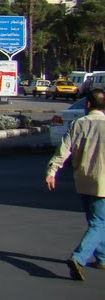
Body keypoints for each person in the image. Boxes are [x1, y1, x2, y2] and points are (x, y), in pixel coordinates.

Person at [46, 88, 105, 281]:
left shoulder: (78, 124)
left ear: (88, 104)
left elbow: (63, 150)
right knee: (99, 222)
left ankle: (102, 257)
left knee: (95, 221)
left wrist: (52, 171)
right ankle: (78, 257)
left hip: (83, 180)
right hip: (102, 183)